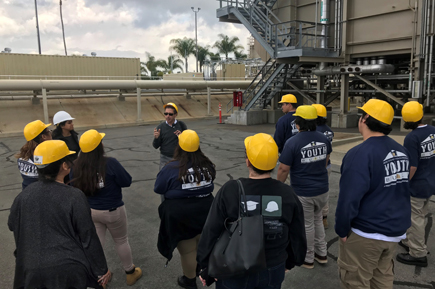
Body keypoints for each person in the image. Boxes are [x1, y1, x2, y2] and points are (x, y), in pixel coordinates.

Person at [197, 133, 306, 289]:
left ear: (248, 161)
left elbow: (211, 229)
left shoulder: (231, 189)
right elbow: (297, 233)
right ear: (275, 162)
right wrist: (293, 260)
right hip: (273, 265)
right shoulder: (288, 193)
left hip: (233, 263)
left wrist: (204, 263)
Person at [8, 140, 111, 289]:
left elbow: (12, 224)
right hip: (68, 270)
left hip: (31, 271)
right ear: (64, 166)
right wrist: (101, 269)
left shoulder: (22, 197)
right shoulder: (74, 196)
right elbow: (87, 235)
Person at [335, 99, 411, 289]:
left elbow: (348, 199)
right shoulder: (400, 150)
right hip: (394, 231)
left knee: (356, 280)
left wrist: (342, 230)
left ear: (365, 118)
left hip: (367, 232)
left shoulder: (359, 153)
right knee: (382, 279)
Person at [70, 129, 142, 286]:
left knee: (96, 244)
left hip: (91, 210)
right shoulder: (110, 163)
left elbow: (73, 186)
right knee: (121, 240)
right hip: (112, 210)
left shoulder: (76, 166)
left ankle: (98, 276)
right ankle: (130, 272)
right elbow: (126, 181)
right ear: (99, 146)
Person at [155, 129, 215, 289]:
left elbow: (159, 188)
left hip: (181, 215)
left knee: (188, 250)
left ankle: (189, 280)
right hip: (206, 210)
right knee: (201, 243)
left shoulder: (171, 168)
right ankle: (199, 268)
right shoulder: (207, 165)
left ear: (179, 146)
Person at [277, 105, 331, 269]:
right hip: (322, 188)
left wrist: (279, 186)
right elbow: (327, 160)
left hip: (304, 191)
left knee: (307, 224)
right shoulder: (323, 138)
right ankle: (322, 253)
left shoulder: (292, 142)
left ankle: (308, 258)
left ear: (298, 123)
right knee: (318, 220)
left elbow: (283, 168)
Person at [396, 101, 434, 267]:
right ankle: (413, 241)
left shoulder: (412, 138)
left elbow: (412, 166)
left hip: (417, 185)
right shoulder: (433, 131)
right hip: (430, 181)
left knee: (415, 218)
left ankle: (418, 253)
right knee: (421, 214)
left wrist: (404, 183)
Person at [312, 104, 334, 229]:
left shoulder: (317, 132)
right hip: (328, 164)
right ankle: (324, 217)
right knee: (325, 191)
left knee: (316, 193)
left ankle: (317, 217)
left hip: (318, 165)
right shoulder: (329, 130)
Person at [15, 120, 52, 190]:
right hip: (40, 194)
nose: (51, 134)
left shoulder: (22, 156)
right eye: (49, 131)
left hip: (26, 193)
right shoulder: (44, 157)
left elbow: (24, 178)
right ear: (44, 136)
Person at [153, 102, 187, 170]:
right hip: (165, 159)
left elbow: (187, 143)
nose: (167, 116)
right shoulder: (161, 127)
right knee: (163, 178)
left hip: (179, 158)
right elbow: (155, 146)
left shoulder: (181, 125)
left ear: (175, 115)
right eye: (166, 114)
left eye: (170, 114)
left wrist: (182, 136)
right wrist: (156, 138)